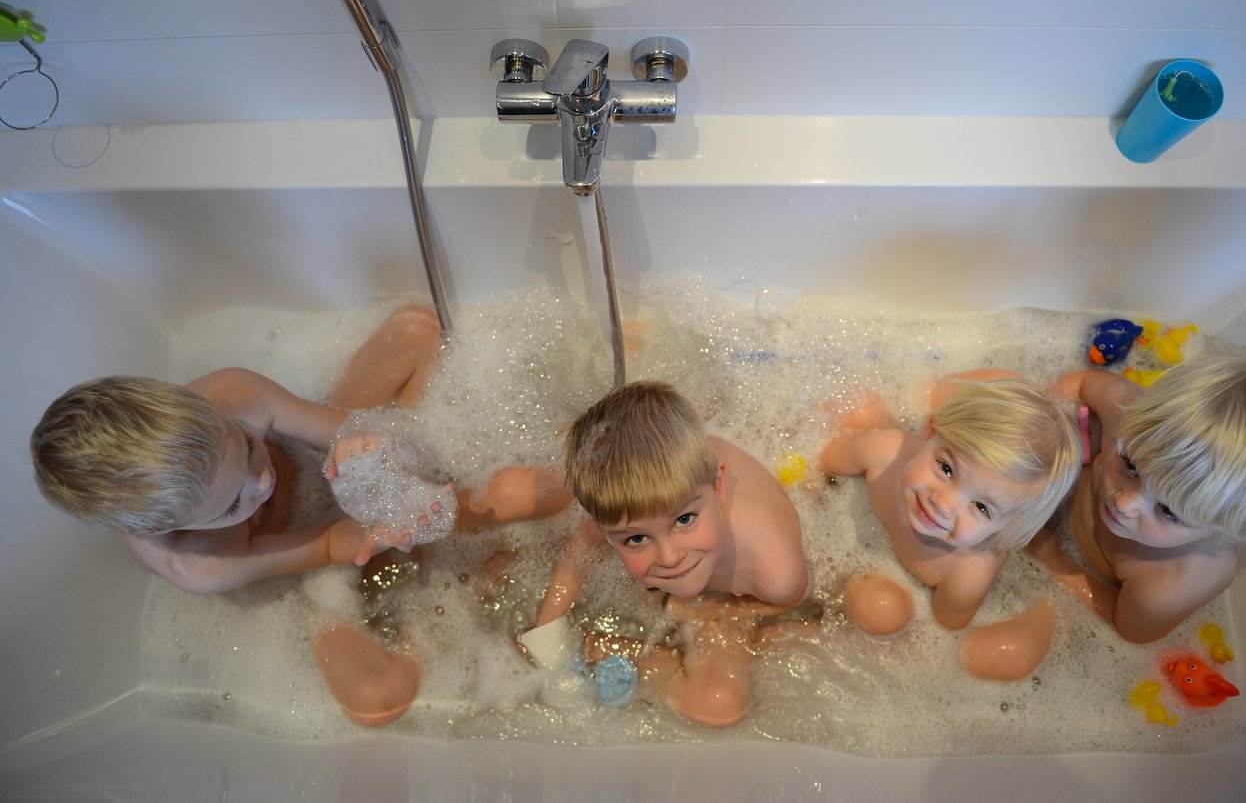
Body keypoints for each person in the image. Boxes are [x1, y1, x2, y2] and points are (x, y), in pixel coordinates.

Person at [30, 304, 572, 595]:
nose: (260, 484)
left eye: (247, 446)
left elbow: (340, 430)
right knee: (534, 492)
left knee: (417, 326)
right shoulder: (202, 566)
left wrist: (369, 444)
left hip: (329, 470)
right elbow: (329, 544)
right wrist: (392, 526)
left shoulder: (230, 395)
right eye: (232, 506)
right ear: (159, 529)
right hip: (325, 544)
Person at [523, 380, 809, 727]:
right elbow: (584, 543)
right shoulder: (632, 505)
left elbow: (789, 601)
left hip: (731, 599)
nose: (670, 557)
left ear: (719, 487)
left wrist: (718, 611)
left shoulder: (774, 570)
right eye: (636, 539)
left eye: (685, 520)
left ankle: (626, 655)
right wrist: (546, 625)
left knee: (718, 704)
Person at [1028, 355, 1246, 644]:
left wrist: (1055, 559)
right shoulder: (1133, 423)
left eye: (1168, 510)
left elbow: (1129, 629)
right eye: (1131, 465)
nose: (1124, 504)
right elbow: (1084, 381)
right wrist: (1041, 425)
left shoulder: (1171, 585)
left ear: (1221, 529)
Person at [820, 375, 1081, 631]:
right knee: (860, 407)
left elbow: (946, 625)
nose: (943, 504)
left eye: (981, 508)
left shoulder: (968, 574)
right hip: (843, 545)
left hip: (874, 583)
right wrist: (814, 489)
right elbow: (827, 461)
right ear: (930, 431)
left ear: (1005, 528)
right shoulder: (885, 451)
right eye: (946, 468)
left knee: (885, 611)